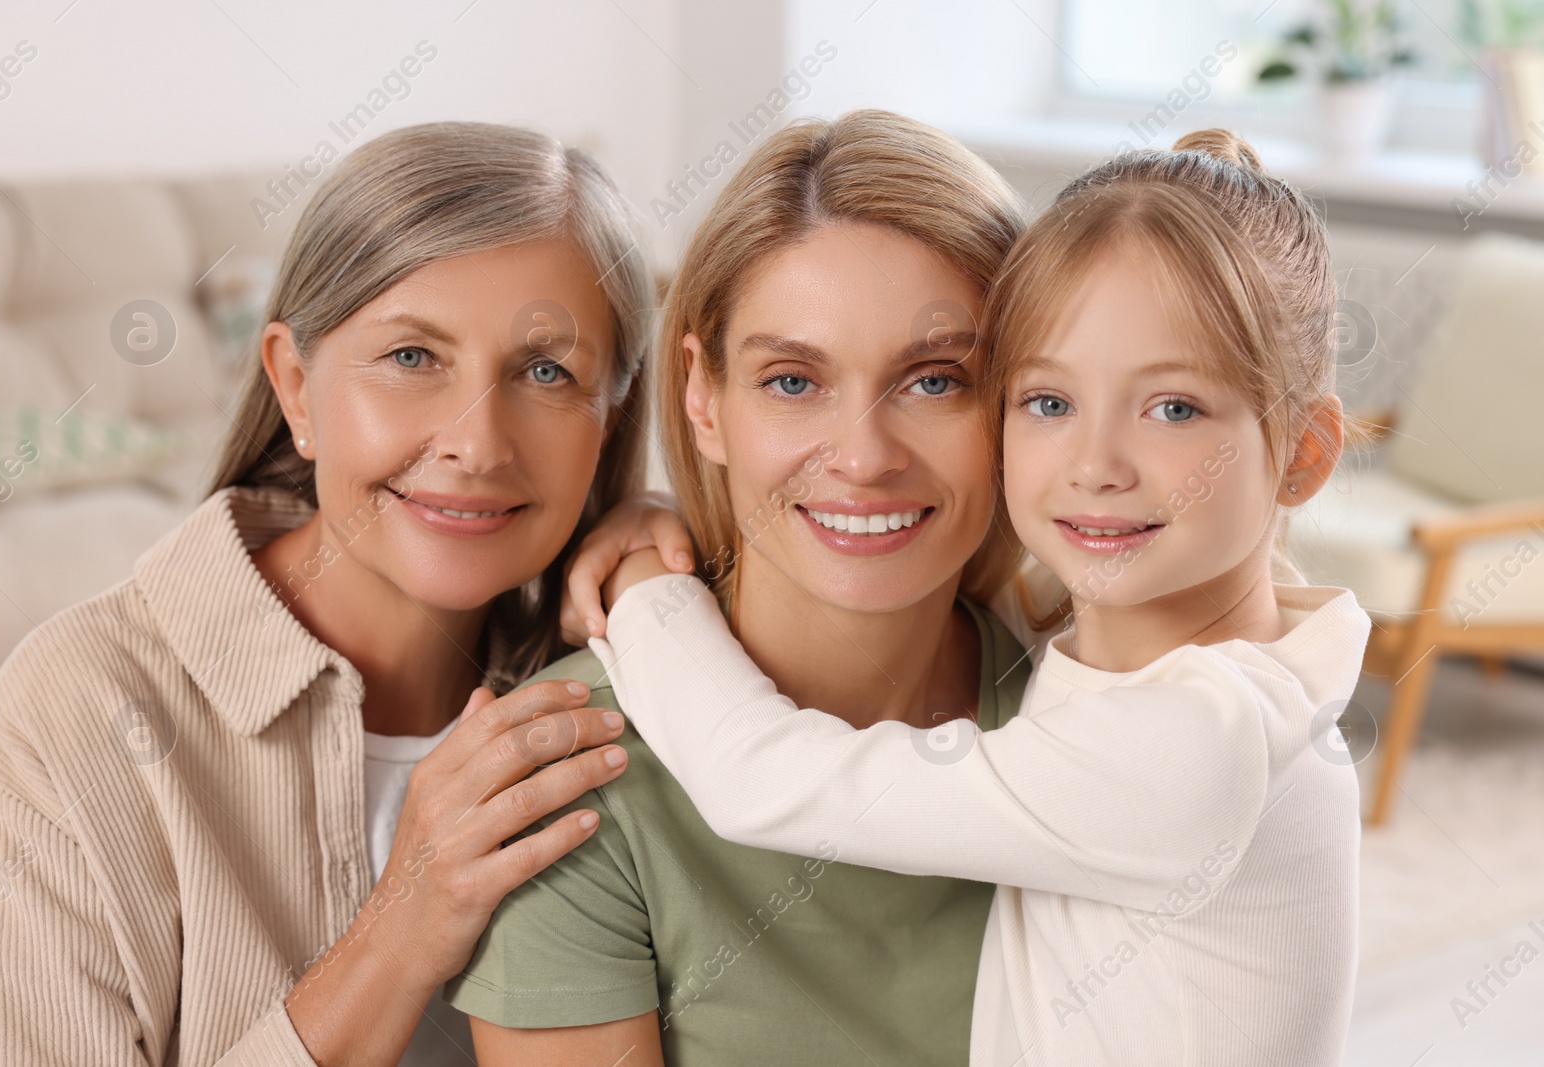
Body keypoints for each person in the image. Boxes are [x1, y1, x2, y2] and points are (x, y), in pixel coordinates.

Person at [577, 130, 1369, 1065]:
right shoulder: (1172, 645)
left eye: (1174, 408)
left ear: (1307, 454)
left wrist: (650, 588)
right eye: (1048, 402)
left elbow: (757, 775)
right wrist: (678, 513)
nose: (1095, 467)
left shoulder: (1200, 743)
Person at [0, 121, 654, 1066]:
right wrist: (404, 925)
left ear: (608, 421)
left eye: (545, 371)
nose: (478, 444)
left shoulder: (625, 691)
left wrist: (673, 568)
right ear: (296, 385)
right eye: (412, 357)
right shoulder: (77, 713)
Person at [444, 110, 1032, 1066]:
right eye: (793, 380)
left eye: (935, 381)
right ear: (702, 397)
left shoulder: (1089, 714)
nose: (864, 456)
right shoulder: (573, 786)